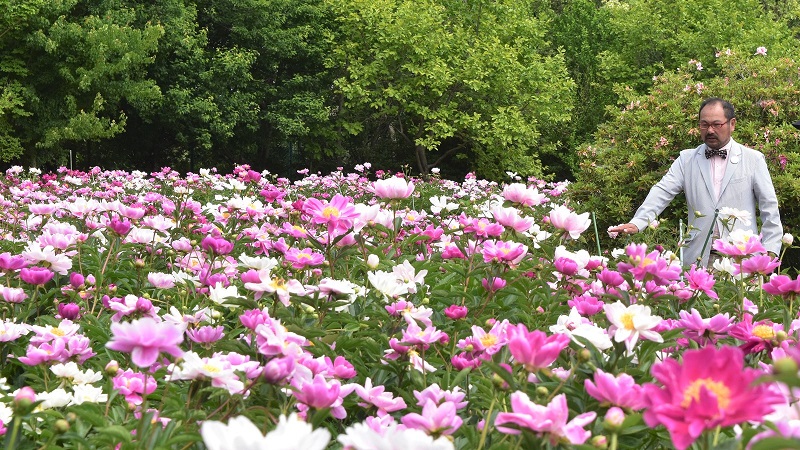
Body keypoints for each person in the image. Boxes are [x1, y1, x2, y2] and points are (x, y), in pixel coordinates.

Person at [608, 98, 783, 267]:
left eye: (716, 124)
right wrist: (638, 222)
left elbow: (769, 205)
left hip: (742, 259)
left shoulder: (753, 159)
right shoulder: (686, 159)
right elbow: (662, 191)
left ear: (732, 124)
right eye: (704, 124)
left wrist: (771, 249)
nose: (710, 130)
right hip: (698, 258)